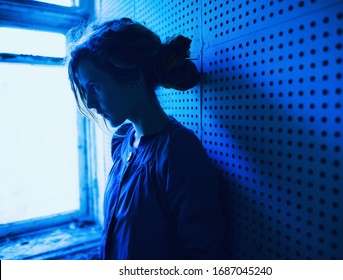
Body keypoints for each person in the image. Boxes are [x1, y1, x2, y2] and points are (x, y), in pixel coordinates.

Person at [66, 18, 227, 259]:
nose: (89, 102)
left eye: (95, 87)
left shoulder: (179, 152)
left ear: (134, 77)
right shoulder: (122, 142)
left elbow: (205, 256)